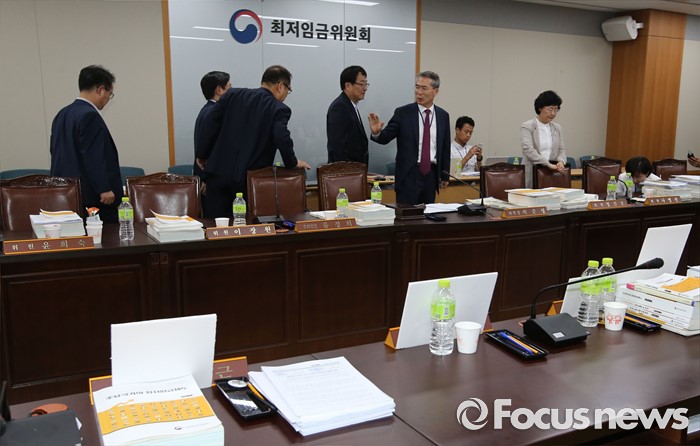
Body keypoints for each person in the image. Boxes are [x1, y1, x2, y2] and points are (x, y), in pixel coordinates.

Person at [196, 65, 311, 218]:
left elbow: (211, 124)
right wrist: (292, 162)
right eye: (288, 90)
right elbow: (281, 137)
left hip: (218, 175)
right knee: (246, 227)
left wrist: (202, 154)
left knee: (217, 225)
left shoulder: (232, 94)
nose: (286, 95)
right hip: (249, 181)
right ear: (280, 86)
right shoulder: (278, 108)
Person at [50, 65, 123, 223]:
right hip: (92, 198)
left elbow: (55, 151)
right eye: (109, 94)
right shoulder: (90, 116)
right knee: (102, 236)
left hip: (65, 194)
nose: (107, 99)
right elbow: (94, 156)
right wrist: (104, 188)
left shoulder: (62, 114)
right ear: (100, 90)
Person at [369, 71, 450, 205]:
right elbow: (385, 137)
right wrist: (377, 132)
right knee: (406, 215)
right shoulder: (403, 113)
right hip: (409, 175)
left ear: (435, 91)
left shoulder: (443, 116)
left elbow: (445, 147)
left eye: (424, 88)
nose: (419, 92)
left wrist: (445, 174)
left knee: (428, 214)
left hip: (431, 175)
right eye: (417, 87)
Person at [194, 71, 231, 216]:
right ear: (219, 90)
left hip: (209, 179)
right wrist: (204, 178)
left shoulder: (206, 110)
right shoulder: (214, 113)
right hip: (213, 181)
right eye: (229, 87)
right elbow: (206, 147)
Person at [520, 90, 566, 188]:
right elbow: (528, 150)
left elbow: (561, 149)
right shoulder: (527, 126)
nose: (553, 113)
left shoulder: (557, 128)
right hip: (532, 172)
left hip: (552, 173)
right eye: (550, 109)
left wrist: (561, 161)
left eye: (556, 109)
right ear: (540, 108)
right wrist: (547, 164)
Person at [326, 66, 370, 165]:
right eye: (361, 84)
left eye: (366, 84)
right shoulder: (339, 107)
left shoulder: (351, 105)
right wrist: (345, 172)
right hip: (346, 171)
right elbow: (338, 147)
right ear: (348, 85)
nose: (365, 88)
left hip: (356, 170)